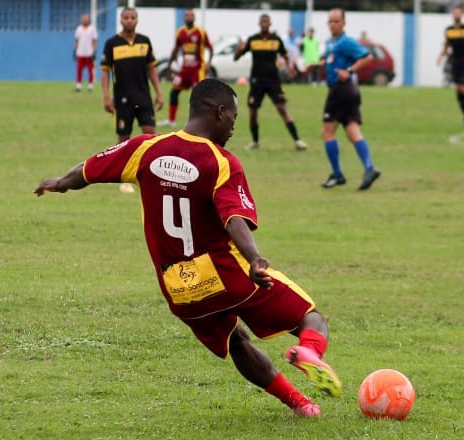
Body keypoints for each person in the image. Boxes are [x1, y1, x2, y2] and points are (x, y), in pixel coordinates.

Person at [34, 78, 343, 417]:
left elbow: (89, 168)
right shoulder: (220, 161)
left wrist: (60, 183)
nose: (233, 128)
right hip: (227, 276)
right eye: (234, 119)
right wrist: (254, 258)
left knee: (236, 341)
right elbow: (233, 219)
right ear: (220, 112)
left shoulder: (145, 149)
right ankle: (311, 352)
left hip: (179, 289)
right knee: (310, 318)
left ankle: (300, 404)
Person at [100, 7, 163, 193]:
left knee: (151, 135)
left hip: (143, 97)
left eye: (132, 17)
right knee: (124, 138)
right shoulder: (112, 43)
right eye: (126, 18)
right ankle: (124, 177)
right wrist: (106, 95)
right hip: (122, 99)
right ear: (121, 20)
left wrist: (159, 92)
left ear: (137, 20)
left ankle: (152, 173)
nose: (129, 20)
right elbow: (105, 71)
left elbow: (152, 69)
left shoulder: (145, 42)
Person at [320, 8, 380, 191]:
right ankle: (369, 168)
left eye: (337, 21)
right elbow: (330, 61)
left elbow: (367, 57)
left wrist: (350, 71)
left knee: (327, 132)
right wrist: (315, 66)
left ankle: (337, 175)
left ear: (344, 24)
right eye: (331, 21)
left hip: (341, 90)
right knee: (352, 131)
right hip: (349, 92)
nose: (333, 24)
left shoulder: (346, 42)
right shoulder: (331, 42)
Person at [233, 14, 307, 151]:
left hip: (273, 81)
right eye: (262, 21)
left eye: (266, 21)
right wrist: (239, 48)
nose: (264, 23)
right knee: (253, 112)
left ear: (270, 23)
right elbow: (236, 58)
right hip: (257, 81)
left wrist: (290, 67)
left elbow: (285, 55)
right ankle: (255, 141)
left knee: (282, 109)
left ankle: (297, 140)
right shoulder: (252, 40)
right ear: (259, 23)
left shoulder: (276, 40)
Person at [157, 8, 213, 128]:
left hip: (197, 70)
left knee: (197, 95)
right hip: (185, 70)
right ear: (184, 18)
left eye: (191, 15)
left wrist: (209, 62)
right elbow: (176, 49)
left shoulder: (200, 32)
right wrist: (170, 63)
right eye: (187, 15)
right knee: (174, 92)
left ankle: (199, 121)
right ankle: (171, 120)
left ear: (194, 17)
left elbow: (210, 48)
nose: (189, 17)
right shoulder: (180, 32)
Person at [436, 5, 464, 126]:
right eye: (455, 13)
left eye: (459, 13)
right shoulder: (449, 30)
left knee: (463, 88)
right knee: (457, 89)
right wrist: (440, 57)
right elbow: (446, 46)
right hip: (454, 62)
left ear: (462, 15)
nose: (457, 15)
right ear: (452, 15)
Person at [74, 13, 98, 92]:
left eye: (86, 18)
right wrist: (75, 50)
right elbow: (77, 40)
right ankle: (78, 86)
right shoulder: (78, 29)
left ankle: (90, 86)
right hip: (80, 52)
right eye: (83, 18)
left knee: (90, 70)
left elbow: (94, 40)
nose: (84, 20)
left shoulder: (92, 29)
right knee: (79, 69)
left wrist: (94, 51)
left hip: (89, 53)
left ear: (89, 19)